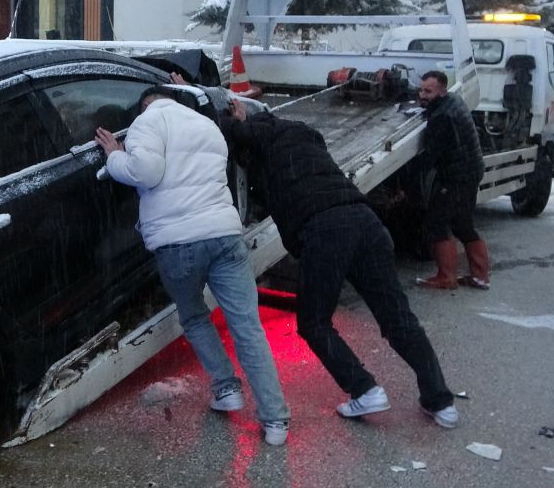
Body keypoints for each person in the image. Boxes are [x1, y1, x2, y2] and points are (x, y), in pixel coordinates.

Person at [220, 96, 458, 428]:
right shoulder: (302, 135)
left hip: (325, 230)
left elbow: (233, 130)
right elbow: (254, 133)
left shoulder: (262, 141)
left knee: (313, 323)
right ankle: (441, 402)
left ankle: (364, 389)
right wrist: (248, 121)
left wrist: (236, 122)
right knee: (397, 319)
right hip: (366, 222)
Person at [95, 85, 291, 446]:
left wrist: (114, 156)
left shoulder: (147, 121)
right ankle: (275, 420)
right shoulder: (208, 127)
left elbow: (146, 173)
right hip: (224, 234)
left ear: (146, 104)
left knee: (195, 316)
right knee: (248, 328)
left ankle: (226, 388)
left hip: (178, 241)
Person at [413, 70, 490, 290]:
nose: (423, 94)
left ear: (442, 90)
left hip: (457, 176)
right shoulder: (453, 101)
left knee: (437, 222)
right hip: (471, 171)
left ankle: (446, 277)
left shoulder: (442, 117)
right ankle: (480, 276)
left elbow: (431, 156)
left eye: (428, 91)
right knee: (463, 224)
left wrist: (410, 180)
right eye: (421, 89)